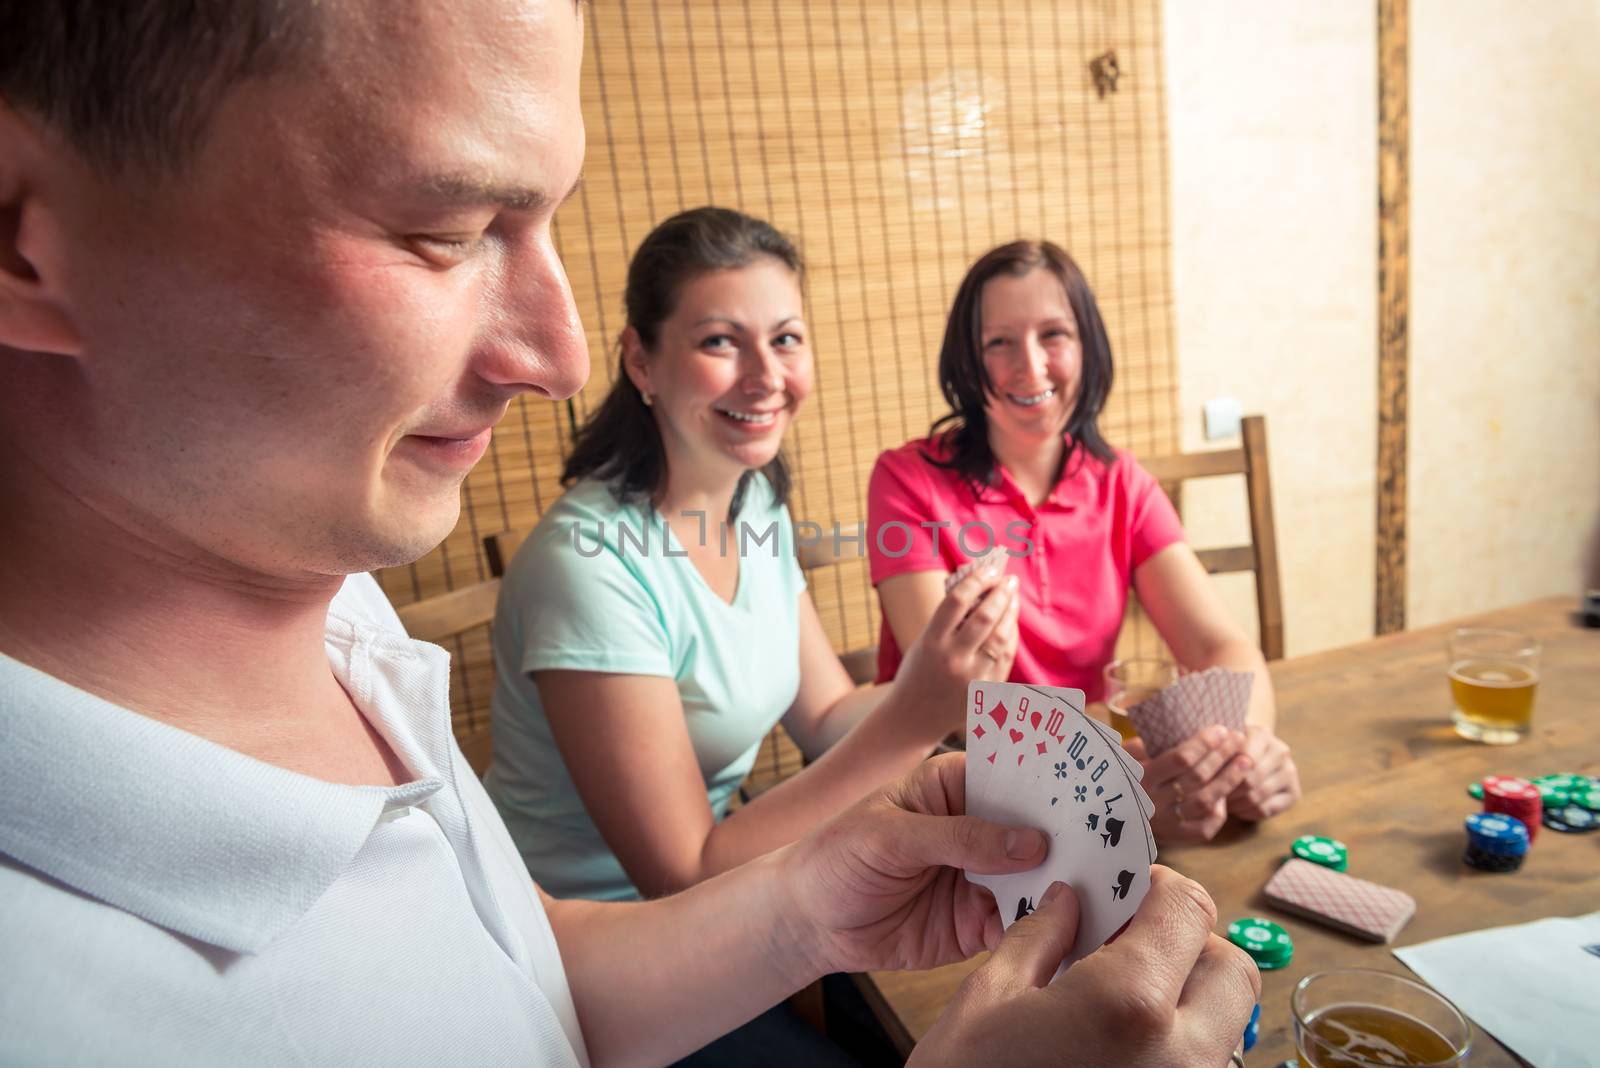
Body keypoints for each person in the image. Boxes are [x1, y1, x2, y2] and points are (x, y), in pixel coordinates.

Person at [0, 2, 1258, 1064]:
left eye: (787, 338)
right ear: (23, 239)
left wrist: (808, 907)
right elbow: (678, 860)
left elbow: (512, 971)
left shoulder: (331, 603)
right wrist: (918, 711)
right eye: (442, 234)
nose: (549, 357)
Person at [485, 206, 1019, 907]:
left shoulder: (753, 499)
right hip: (583, 951)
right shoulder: (591, 568)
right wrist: (916, 717)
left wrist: (940, 678)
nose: (766, 376)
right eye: (720, 342)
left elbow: (826, 718)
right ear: (641, 360)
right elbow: (683, 876)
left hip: (735, 898)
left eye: (786, 339)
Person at [867, 241, 1301, 842]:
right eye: (999, 342)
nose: (1030, 366)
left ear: (1087, 347)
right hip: (948, 806)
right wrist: (1118, 791)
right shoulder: (907, 480)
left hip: (1094, 787)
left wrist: (1242, 754)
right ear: (967, 361)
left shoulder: (1123, 483)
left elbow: (1220, 644)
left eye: (1053, 334)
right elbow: (955, 710)